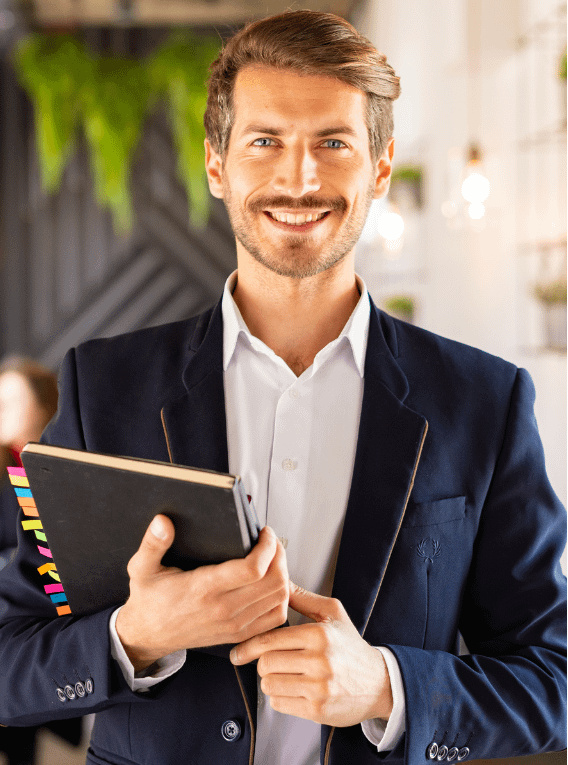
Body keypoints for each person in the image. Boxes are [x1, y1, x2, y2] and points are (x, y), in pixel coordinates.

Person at [0, 10, 565, 765]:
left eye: (333, 143)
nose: (299, 178)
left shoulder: (483, 401)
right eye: (265, 141)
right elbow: (10, 653)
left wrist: (389, 686)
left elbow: (553, 678)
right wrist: (135, 634)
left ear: (382, 165)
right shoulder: (103, 386)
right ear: (215, 164)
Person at [0, 356, 83, 764]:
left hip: (57, 612)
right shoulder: (4, 472)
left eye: (9, 402)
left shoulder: (69, 467)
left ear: (43, 405)